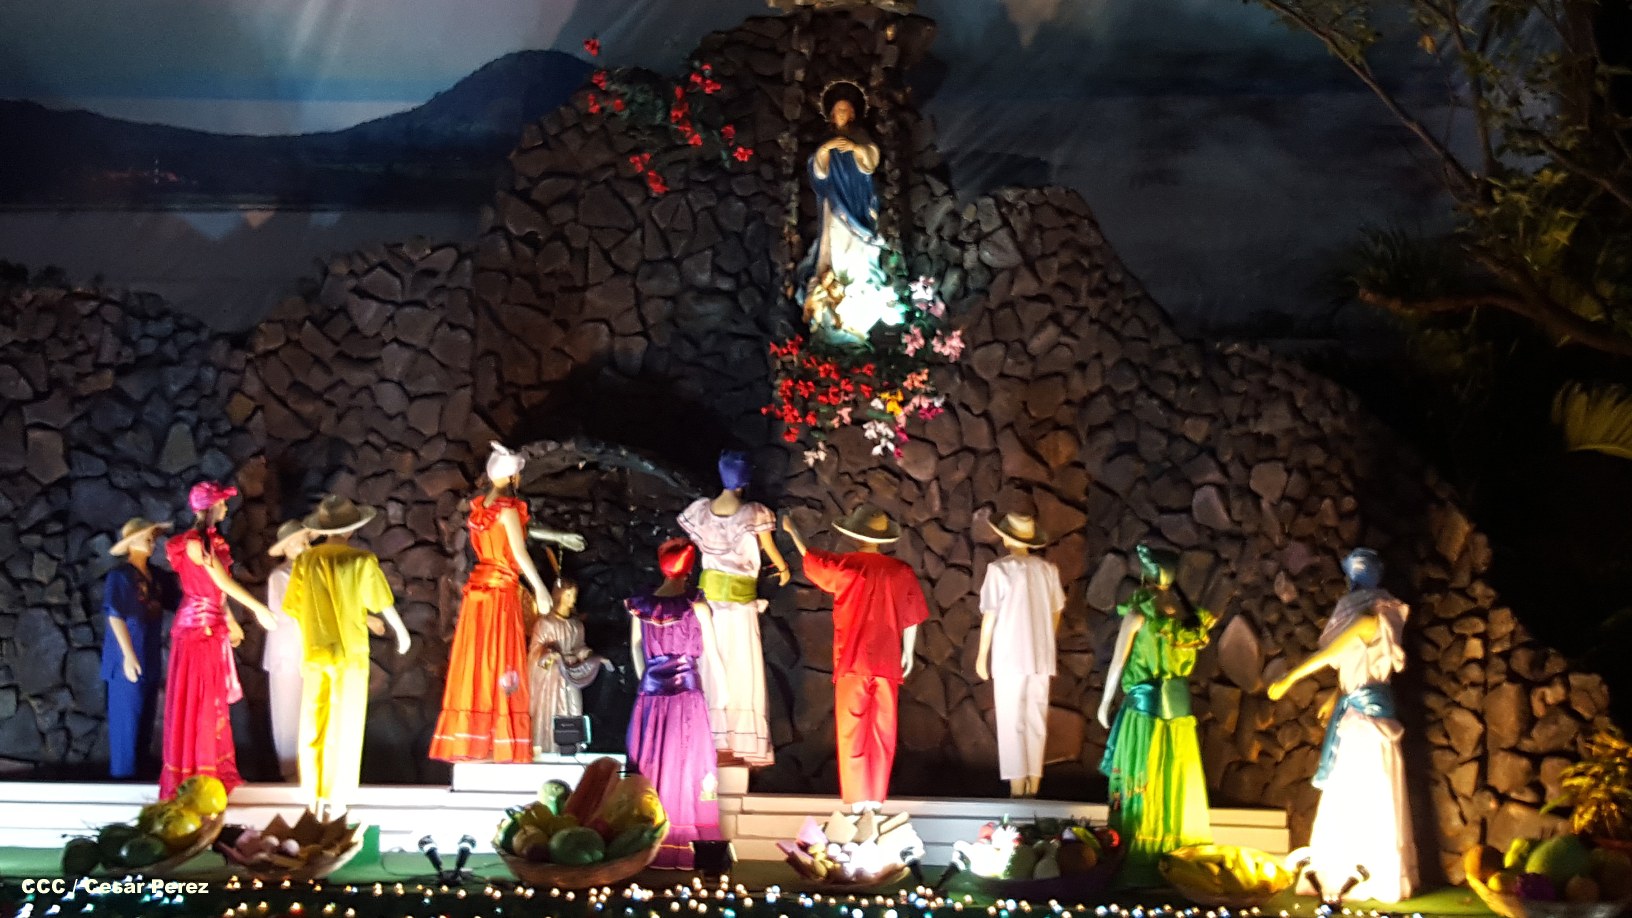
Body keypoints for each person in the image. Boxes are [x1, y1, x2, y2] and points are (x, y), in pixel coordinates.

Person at [1267, 548, 1417, 903]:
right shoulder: (1378, 616)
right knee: (1355, 786)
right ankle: (1346, 869)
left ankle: (1363, 872)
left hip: (1366, 719)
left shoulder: (1368, 618)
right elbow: (1354, 660)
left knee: (1361, 788)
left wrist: (1289, 678)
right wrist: (1336, 696)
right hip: (1359, 707)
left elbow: (1330, 653)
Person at [431, 443, 583, 763]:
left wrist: (557, 538)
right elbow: (519, 552)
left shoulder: (482, 508)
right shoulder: (507, 508)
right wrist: (540, 589)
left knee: (480, 659)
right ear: (513, 475)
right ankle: (499, 737)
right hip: (500, 594)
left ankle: (476, 736)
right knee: (500, 659)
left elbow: (512, 537)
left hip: (480, 592)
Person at [781, 504, 928, 812]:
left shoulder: (846, 566)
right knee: (883, 732)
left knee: (853, 732)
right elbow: (913, 616)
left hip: (852, 661)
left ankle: (858, 803)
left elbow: (813, 559)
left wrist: (794, 532)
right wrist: (908, 652)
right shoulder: (900, 571)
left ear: (855, 534)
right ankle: (875, 800)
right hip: (887, 661)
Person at [1096, 543, 1216, 887]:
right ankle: (1177, 859)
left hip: (1145, 716)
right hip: (1179, 720)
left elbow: (1118, 663)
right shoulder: (1188, 620)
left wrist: (1105, 702)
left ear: (1146, 575)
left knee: (1143, 782)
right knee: (1175, 784)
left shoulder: (1139, 615)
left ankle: (1139, 859)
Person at [281, 495, 410, 816]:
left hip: (315, 653)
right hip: (349, 655)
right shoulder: (360, 561)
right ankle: (338, 796)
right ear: (352, 529)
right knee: (345, 722)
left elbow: (295, 609)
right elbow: (382, 603)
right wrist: (401, 631)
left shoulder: (305, 562)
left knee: (313, 722)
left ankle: (312, 794)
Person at [161, 481, 278, 798]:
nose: (226, 508)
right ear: (210, 506)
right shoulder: (193, 543)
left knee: (211, 702)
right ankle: (195, 773)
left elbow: (217, 591)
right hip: (196, 631)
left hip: (211, 626)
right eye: (222, 503)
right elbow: (221, 582)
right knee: (199, 700)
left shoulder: (210, 542)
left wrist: (231, 622)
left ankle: (211, 771)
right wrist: (258, 609)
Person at [677, 450, 790, 768]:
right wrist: (783, 568)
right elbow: (769, 548)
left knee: (711, 666)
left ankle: (713, 736)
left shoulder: (702, 511)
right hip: (738, 608)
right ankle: (734, 739)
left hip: (710, 606)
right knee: (740, 668)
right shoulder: (753, 514)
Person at [627, 538, 729, 869]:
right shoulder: (696, 607)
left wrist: (647, 679)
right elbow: (713, 653)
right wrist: (724, 691)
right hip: (685, 699)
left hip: (651, 697)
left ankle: (649, 840)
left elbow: (636, 648)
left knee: (654, 761)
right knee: (686, 763)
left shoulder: (642, 607)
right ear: (689, 569)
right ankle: (677, 839)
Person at [799, 81, 901, 341]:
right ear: (832, 115)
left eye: (846, 110)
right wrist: (825, 150)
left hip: (857, 200)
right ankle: (837, 295)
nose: (842, 114)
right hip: (836, 204)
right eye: (838, 110)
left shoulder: (860, 137)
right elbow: (819, 174)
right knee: (837, 245)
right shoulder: (827, 141)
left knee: (859, 249)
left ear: (853, 114)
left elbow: (870, 163)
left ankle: (860, 291)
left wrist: (856, 149)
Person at [974, 512, 1065, 799]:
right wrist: (1046, 638)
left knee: (1011, 718)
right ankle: (1034, 783)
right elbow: (1056, 610)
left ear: (1005, 538)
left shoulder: (999, 569)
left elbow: (990, 615)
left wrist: (982, 655)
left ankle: (1017, 785)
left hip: (1010, 655)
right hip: (1041, 655)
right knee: (1035, 717)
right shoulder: (1047, 570)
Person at [102, 518, 178, 780]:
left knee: (145, 722)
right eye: (146, 536)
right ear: (131, 542)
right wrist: (128, 654)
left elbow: (178, 600)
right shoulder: (120, 576)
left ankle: (140, 778)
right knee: (127, 724)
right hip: (127, 657)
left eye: (152, 536)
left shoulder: (156, 577)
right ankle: (123, 779)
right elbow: (115, 615)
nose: (151, 541)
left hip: (149, 655)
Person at [527, 575, 610, 759]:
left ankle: (571, 748)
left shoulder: (576, 625)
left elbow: (579, 647)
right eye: (568, 595)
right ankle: (548, 747)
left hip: (571, 675)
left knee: (573, 707)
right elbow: (535, 652)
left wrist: (591, 656)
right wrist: (550, 655)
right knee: (551, 711)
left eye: (574, 595)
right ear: (559, 595)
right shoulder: (545, 624)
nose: (572, 599)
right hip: (551, 678)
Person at [261, 520, 311, 781]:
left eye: (306, 541)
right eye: (301, 543)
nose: (307, 546)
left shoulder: (309, 572)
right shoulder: (280, 576)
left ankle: (307, 768)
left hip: (307, 649)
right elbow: (286, 613)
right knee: (288, 712)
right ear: (288, 547)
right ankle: (290, 770)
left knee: (306, 710)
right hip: (288, 651)